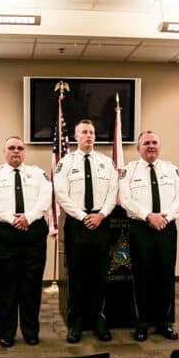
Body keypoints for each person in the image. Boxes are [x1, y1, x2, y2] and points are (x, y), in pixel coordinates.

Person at [0, 136, 50, 347]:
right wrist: (13, 219)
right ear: (4, 151)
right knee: (4, 286)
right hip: (2, 234)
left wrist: (27, 218)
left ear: (24, 152)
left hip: (32, 232)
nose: (16, 151)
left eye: (20, 148)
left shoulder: (38, 174)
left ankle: (30, 331)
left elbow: (45, 198)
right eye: (11, 148)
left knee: (31, 285)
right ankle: (7, 332)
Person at [54, 119, 118, 343]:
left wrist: (100, 215)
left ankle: (99, 321)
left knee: (99, 275)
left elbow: (113, 191)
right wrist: (83, 216)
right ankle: (76, 324)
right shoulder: (65, 163)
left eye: (91, 132)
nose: (88, 136)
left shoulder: (106, 163)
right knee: (77, 275)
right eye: (84, 132)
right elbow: (61, 194)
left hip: (101, 223)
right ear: (75, 136)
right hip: (76, 224)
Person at [119, 131, 179, 341]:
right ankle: (142, 323)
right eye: (146, 143)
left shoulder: (171, 169)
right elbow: (125, 199)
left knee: (165, 275)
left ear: (160, 146)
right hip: (141, 229)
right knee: (142, 276)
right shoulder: (129, 170)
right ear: (138, 148)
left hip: (166, 228)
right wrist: (148, 216)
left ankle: (165, 322)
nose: (151, 146)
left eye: (154, 142)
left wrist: (166, 217)